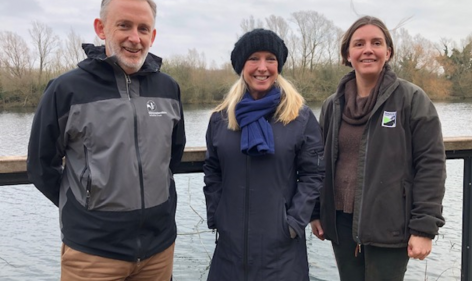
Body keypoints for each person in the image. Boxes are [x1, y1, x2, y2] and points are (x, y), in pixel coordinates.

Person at [26, 0, 186, 280]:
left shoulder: (169, 88)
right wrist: (83, 206)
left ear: (153, 35)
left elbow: (172, 155)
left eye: (143, 28)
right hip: (92, 254)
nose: (134, 38)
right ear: (101, 28)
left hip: (159, 251)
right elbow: (41, 165)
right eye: (124, 25)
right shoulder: (66, 90)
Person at [310, 16, 446, 281]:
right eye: (359, 44)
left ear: (388, 52)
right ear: (348, 55)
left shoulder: (412, 99)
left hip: (390, 225)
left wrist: (424, 228)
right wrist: (316, 212)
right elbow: (318, 162)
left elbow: (431, 165)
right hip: (340, 224)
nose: (368, 49)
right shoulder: (332, 106)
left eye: (376, 43)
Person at [203, 28, 325, 281]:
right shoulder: (221, 118)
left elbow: (314, 174)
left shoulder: (299, 117)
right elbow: (213, 170)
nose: (262, 67)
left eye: (270, 59)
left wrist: (292, 224)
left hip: (281, 253)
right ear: (241, 66)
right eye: (253, 59)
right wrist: (218, 216)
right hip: (229, 252)